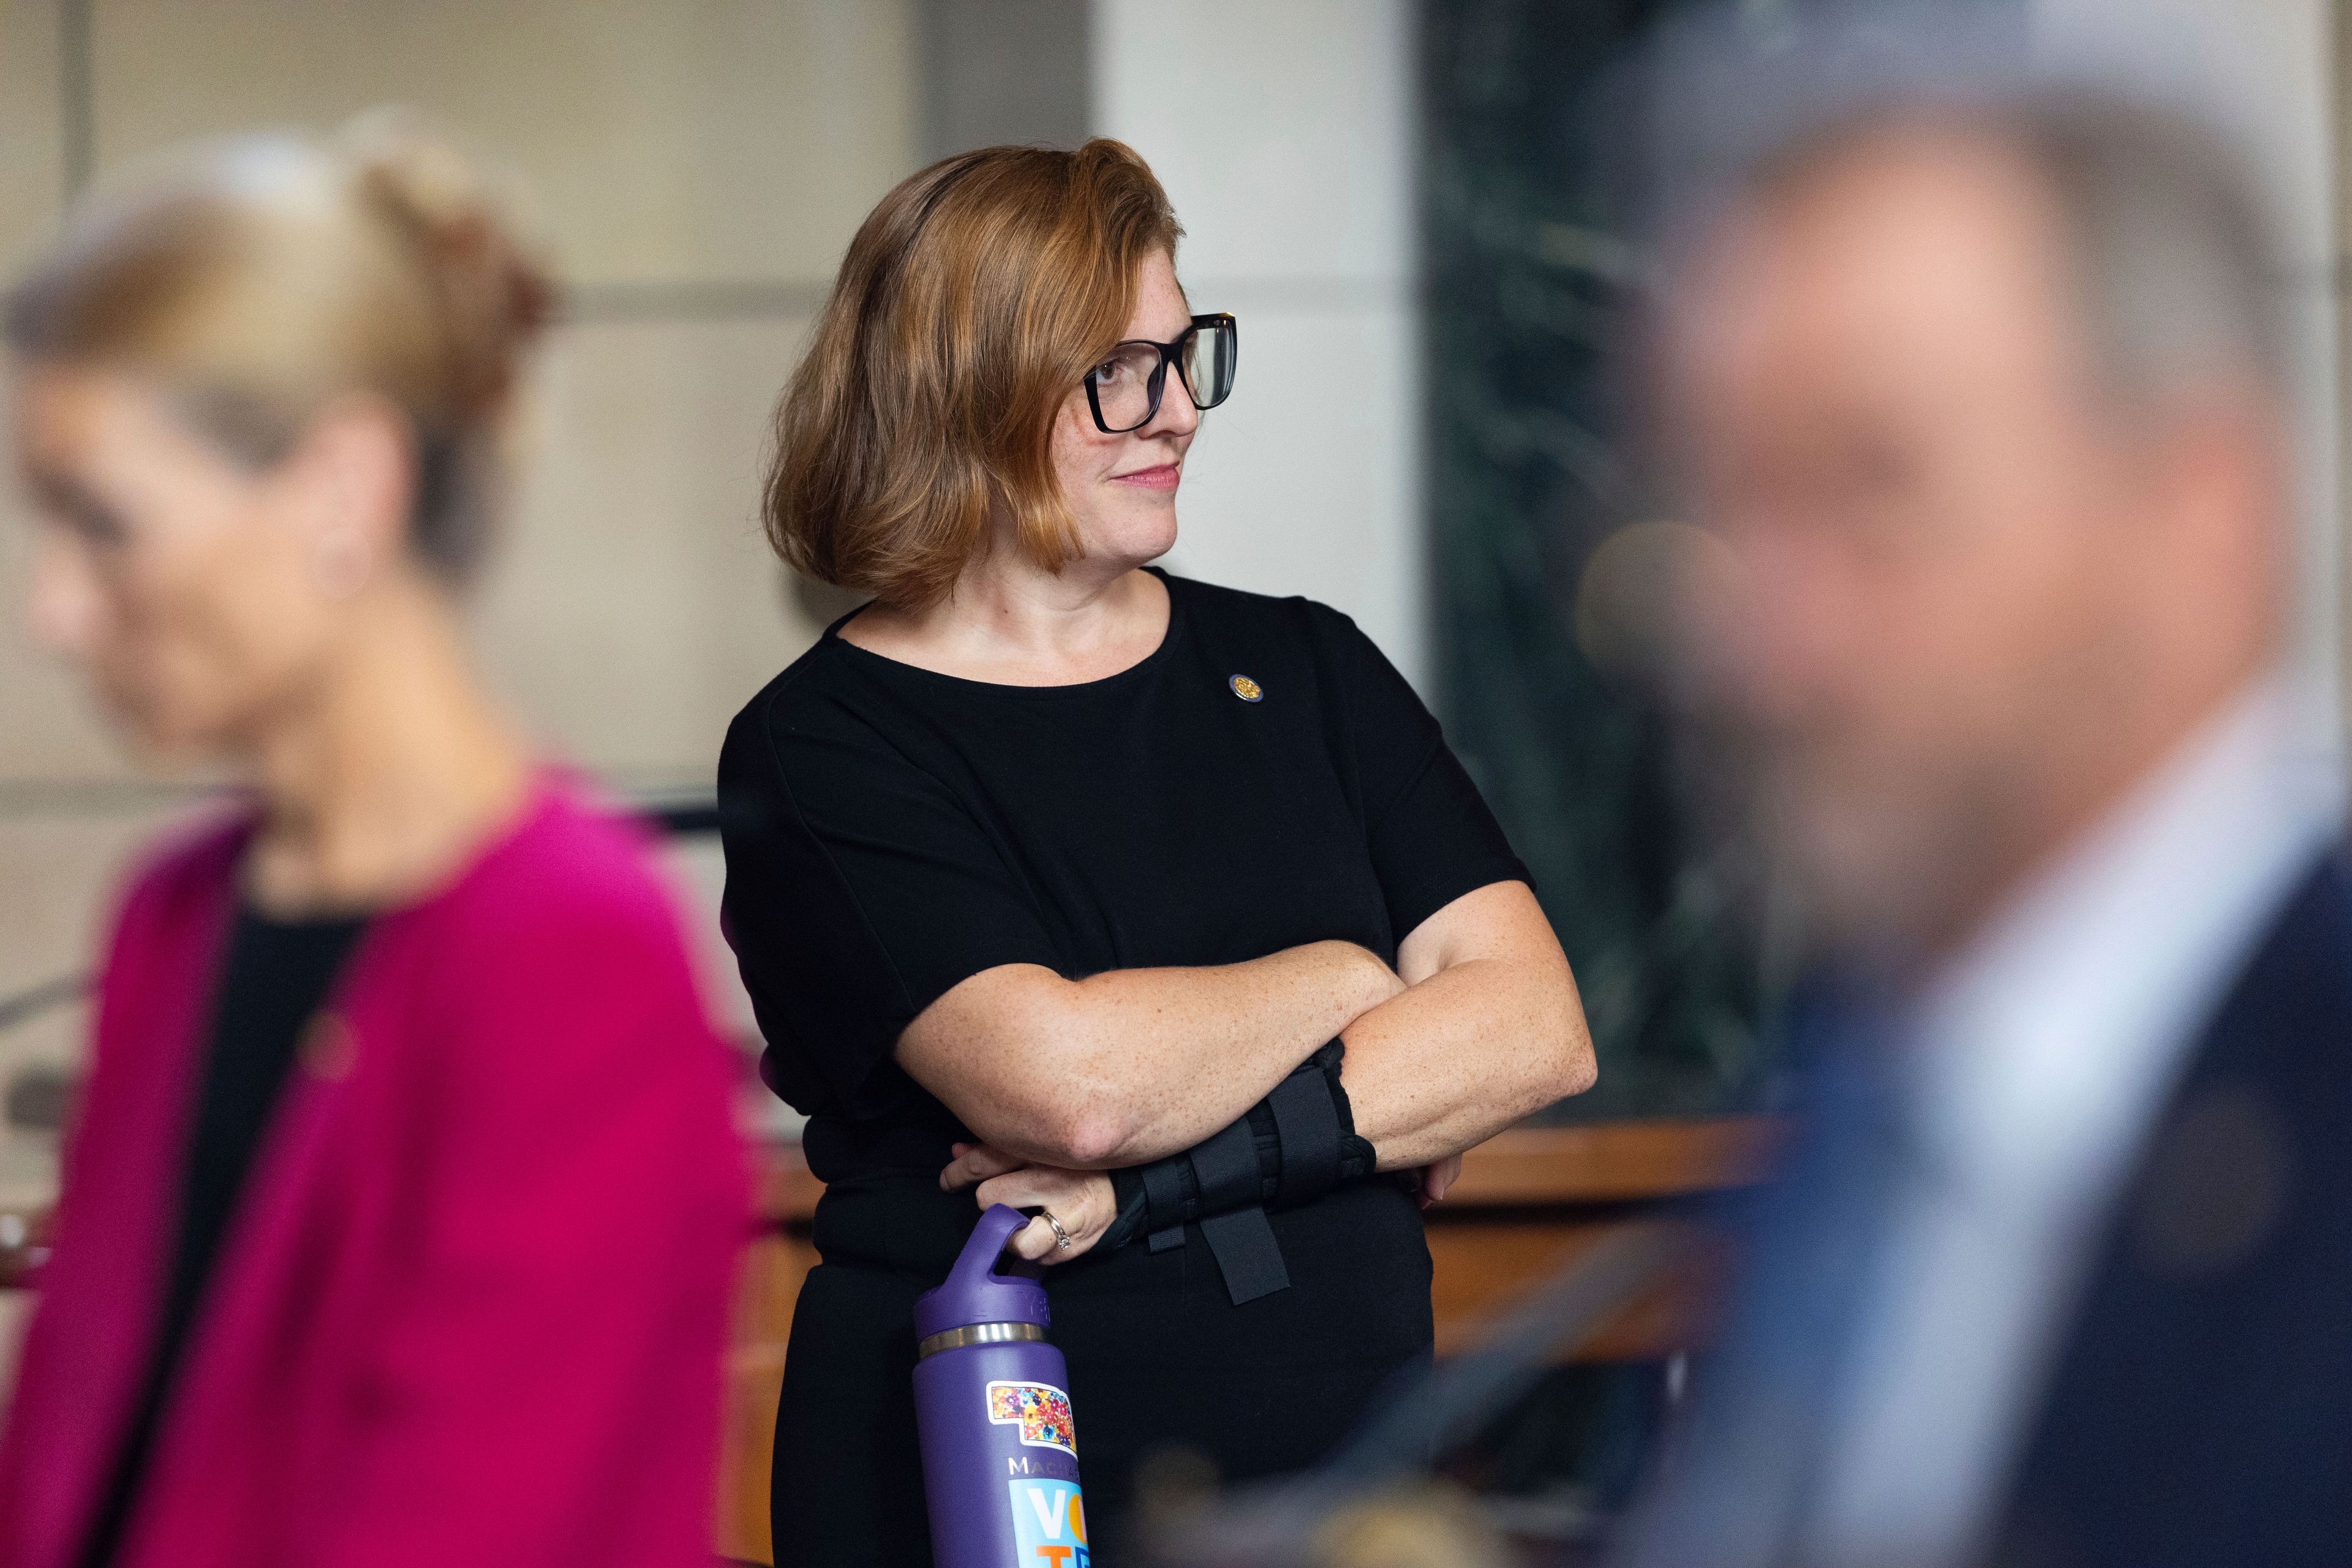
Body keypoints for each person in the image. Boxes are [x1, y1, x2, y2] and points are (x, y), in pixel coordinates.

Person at [717, 138, 1596, 1565]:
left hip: (1347, 1470)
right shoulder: (824, 742)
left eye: (1187, 356)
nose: (1178, 411)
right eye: (1121, 370)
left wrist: (1149, 1185)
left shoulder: (1306, 667)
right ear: (970, 387)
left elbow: (1536, 1028)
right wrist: (1356, 973)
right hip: (986, 1471)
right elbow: (1071, 1089)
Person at [1616, 87, 2351, 1568]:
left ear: (2201, 508)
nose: (1762, 635)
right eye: (1719, 505)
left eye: (1873, 480)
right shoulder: (1850, 1108)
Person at [0, 116, 747, 1568]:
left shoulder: (568, 954)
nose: (56, 611)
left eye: (104, 524)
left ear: (342, 484)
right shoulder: (175, 913)